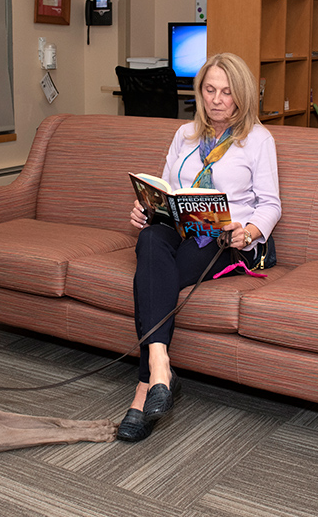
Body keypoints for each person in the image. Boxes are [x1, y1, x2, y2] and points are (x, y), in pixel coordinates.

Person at [118, 53, 282, 442]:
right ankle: (161, 367)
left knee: (158, 272)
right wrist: (146, 208)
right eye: (209, 89)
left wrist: (251, 230)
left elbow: (271, 203)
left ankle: (145, 387)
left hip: (225, 234)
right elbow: (166, 187)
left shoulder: (258, 139)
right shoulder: (185, 134)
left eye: (227, 92)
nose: (217, 99)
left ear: (240, 96)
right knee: (150, 238)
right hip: (179, 224)